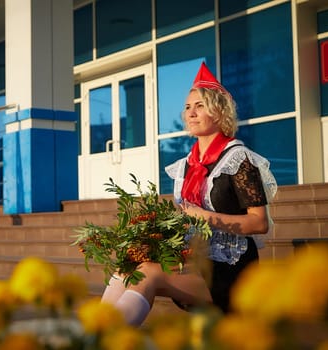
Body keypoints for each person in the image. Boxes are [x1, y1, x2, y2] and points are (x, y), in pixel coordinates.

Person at [100, 62, 278, 326]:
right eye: (187, 107)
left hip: (230, 272)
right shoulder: (186, 164)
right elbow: (186, 219)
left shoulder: (238, 159)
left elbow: (259, 223)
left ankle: (102, 339)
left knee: (147, 274)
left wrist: (204, 216)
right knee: (128, 268)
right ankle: (94, 331)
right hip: (196, 262)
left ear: (220, 112)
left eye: (200, 106)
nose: (191, 113)